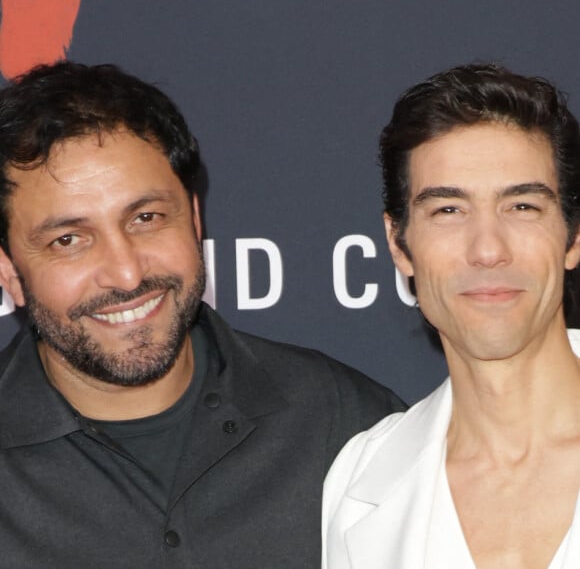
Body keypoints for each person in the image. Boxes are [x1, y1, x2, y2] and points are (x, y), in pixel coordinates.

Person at [0, 61, 405, 569]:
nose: (125, 274)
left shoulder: (344, 422)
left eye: (146, 218)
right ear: (10, 271)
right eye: (69, 240)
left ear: (193, 218)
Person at [322, 63, 580, 569]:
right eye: (448, 211)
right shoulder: (358, 482)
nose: (487, 250)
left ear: (573, 237)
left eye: (523, 207)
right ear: (400, 245)